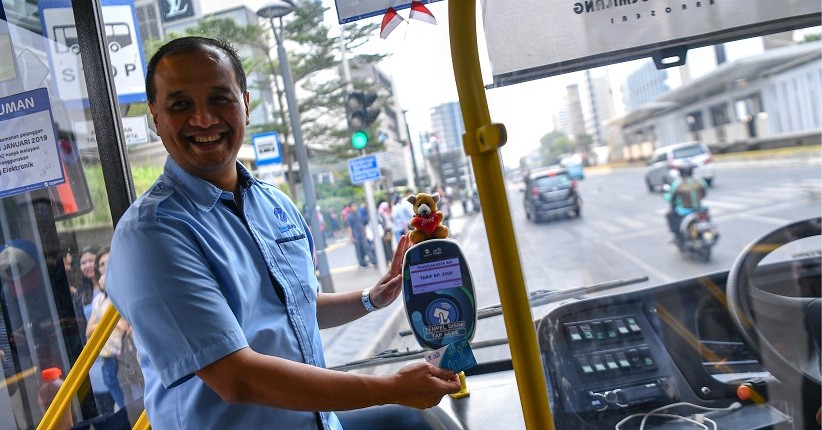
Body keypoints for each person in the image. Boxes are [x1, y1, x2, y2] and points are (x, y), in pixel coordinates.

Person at [105, 37, 460, 430]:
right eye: (180, 105)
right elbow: (236, 376)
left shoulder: (273, 203)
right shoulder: (151, 235)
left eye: (219, 99)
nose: (203, 119)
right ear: (156, 117)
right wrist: (392, 388)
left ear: (245, 104)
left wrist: (371, 298)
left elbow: (294, 306)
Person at [85, 247, 129, 410]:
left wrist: (111, 323)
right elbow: (89, 331)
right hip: (109, 361)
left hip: (128, 358)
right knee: (125, 409)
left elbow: (126, 326)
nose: (105, 266)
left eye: (108, 262)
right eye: (101, 264)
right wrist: (112, 322)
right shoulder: (99, 300)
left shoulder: (126, 290)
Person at [664, 163, 708, 239]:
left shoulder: (677, 184)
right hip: (699, 209)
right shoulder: (700, 181)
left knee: (669, 215)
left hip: (684, 211)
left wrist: (665, 196)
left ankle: (677, 236)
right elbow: (704, 193)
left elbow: (672, 198)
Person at [345, 201, 378, 268]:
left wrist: (364, 232)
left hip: (362, 234)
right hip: (355, 235)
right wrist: (351, 237)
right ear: (350, 208)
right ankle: (362, 263)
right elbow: (349, 227)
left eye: (355, 206)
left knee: (367, 247)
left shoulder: (359, 214)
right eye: (353, 206)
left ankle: (373, 261)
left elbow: (362, 224)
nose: (355, 207)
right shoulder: (349, 217)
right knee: (359, 250)